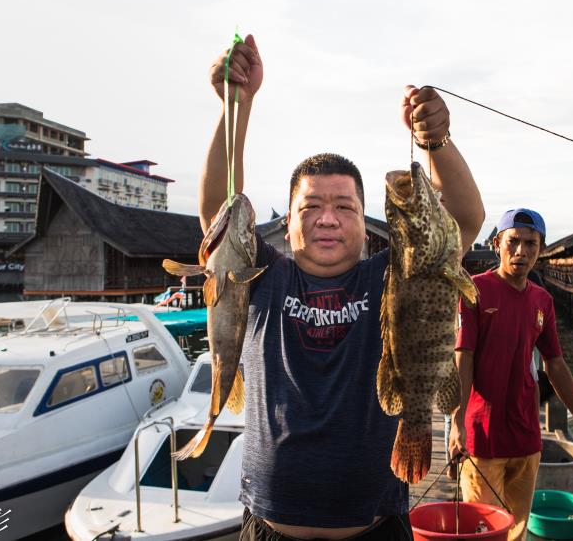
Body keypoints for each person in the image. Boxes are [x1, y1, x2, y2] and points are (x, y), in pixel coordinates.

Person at [199, 34, 485, 541]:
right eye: (310, 207)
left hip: (376, 527)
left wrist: (436, 143)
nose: (327, 219)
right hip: (269, 528)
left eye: (345, 206)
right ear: (286, 223)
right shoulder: (262, 276)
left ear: (363, 220)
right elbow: (220, 211)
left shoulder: (391, 276)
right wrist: (234, 107)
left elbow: (463, 217)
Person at [450, 208, 573, 541]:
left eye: (531, 244)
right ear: (497, 244)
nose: (521, 251)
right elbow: (463, 357)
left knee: (517, 530)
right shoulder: (474, 291)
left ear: (541, 248)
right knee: (481, 532)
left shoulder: (543, 300)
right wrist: (457, 421)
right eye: (514, 242)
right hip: (482, 436)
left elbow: (556, 364)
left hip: (526, 436)